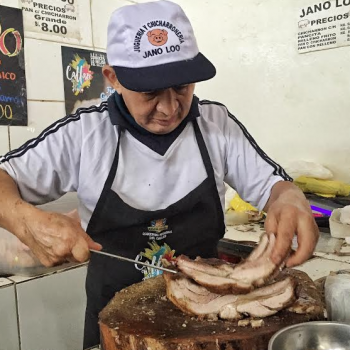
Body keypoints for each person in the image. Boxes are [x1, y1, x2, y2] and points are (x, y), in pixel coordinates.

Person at [0, 0, 318, 348]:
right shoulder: (84, 134)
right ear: (114, 78)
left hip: (208, 323)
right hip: (119, 328)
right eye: (150, 91)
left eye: (182, 87)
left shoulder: (217, 126)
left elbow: (277, 188)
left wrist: (289, 199)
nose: (169, 108)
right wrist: (25, 220)